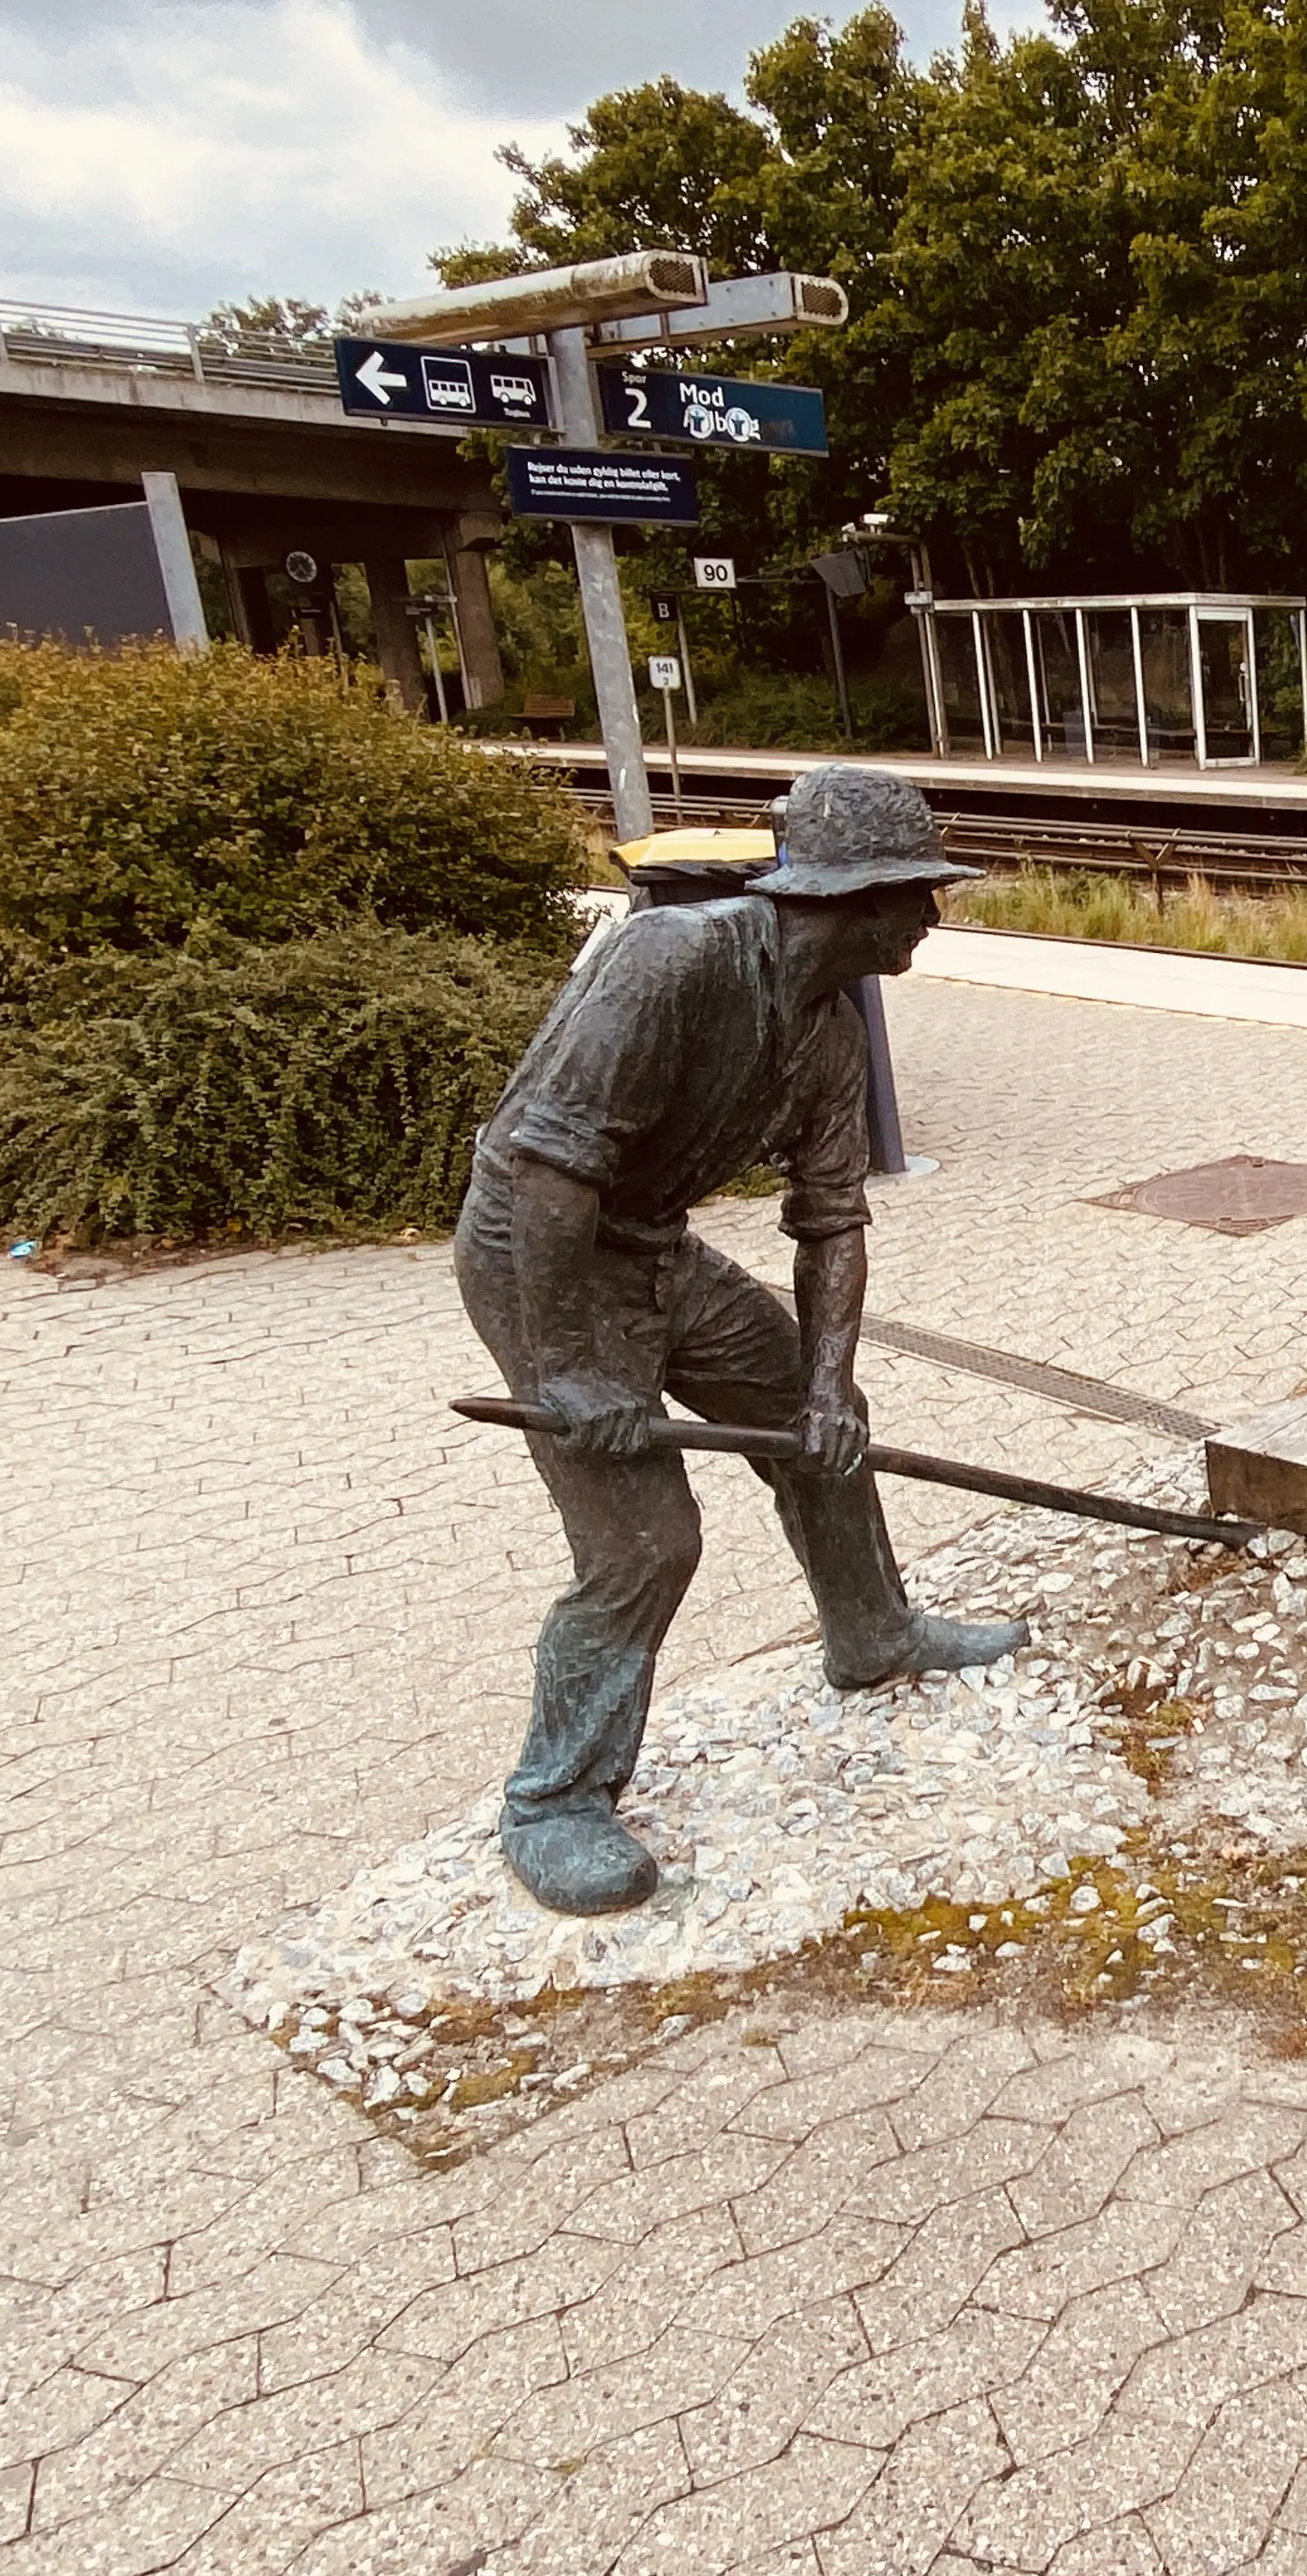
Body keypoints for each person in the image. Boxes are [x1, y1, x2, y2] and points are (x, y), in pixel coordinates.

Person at [454, 764, 1026, 1916]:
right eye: (917, 891)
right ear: (852, 896)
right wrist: (567, 1368)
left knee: (822, 1426)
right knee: (646, 1541)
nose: (932, 914)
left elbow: (830, 1226)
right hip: (540, 1253)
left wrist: (828, 1387)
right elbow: (554, 1171)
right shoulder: (674, 960)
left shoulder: (828, 1040)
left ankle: (870, 1631)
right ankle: (554, 1798)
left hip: (653, 1248)